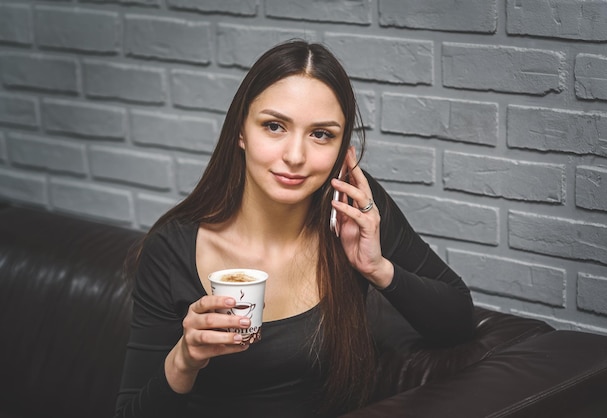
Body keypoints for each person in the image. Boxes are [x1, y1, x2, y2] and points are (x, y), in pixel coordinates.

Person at [115, 39, 475, 418]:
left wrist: (376, 268)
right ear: (241, 132)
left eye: (321, 134)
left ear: (341, 149)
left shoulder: (352, 209)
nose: (295, 157)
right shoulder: (170, 249)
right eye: (274, 126)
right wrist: (184, 360)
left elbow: (458, 321)